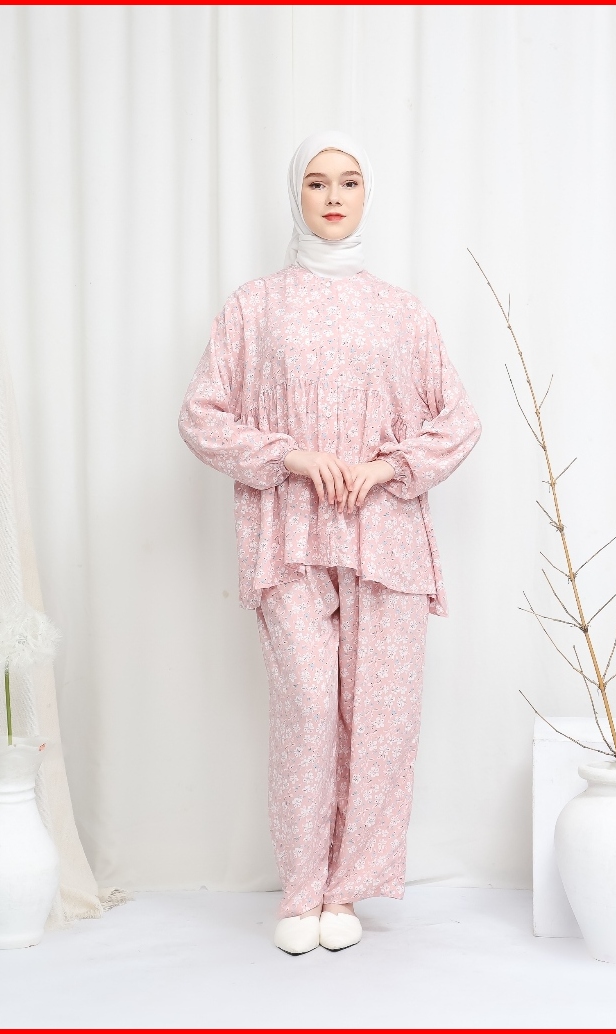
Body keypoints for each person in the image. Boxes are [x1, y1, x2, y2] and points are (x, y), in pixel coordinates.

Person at [178, 131, 481, 955]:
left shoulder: (402, 312)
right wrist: (289, 457)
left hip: (386, 536)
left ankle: (348, 890)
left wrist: (388, 468)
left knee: (380, 719)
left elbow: (460, 419)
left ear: (367, 194)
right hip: (289, 533)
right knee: (308, 711)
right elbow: (201, 415)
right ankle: (302, 889)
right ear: (297, 194)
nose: (334, 196)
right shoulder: (254, 307)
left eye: (349, 181)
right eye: (317, 182)